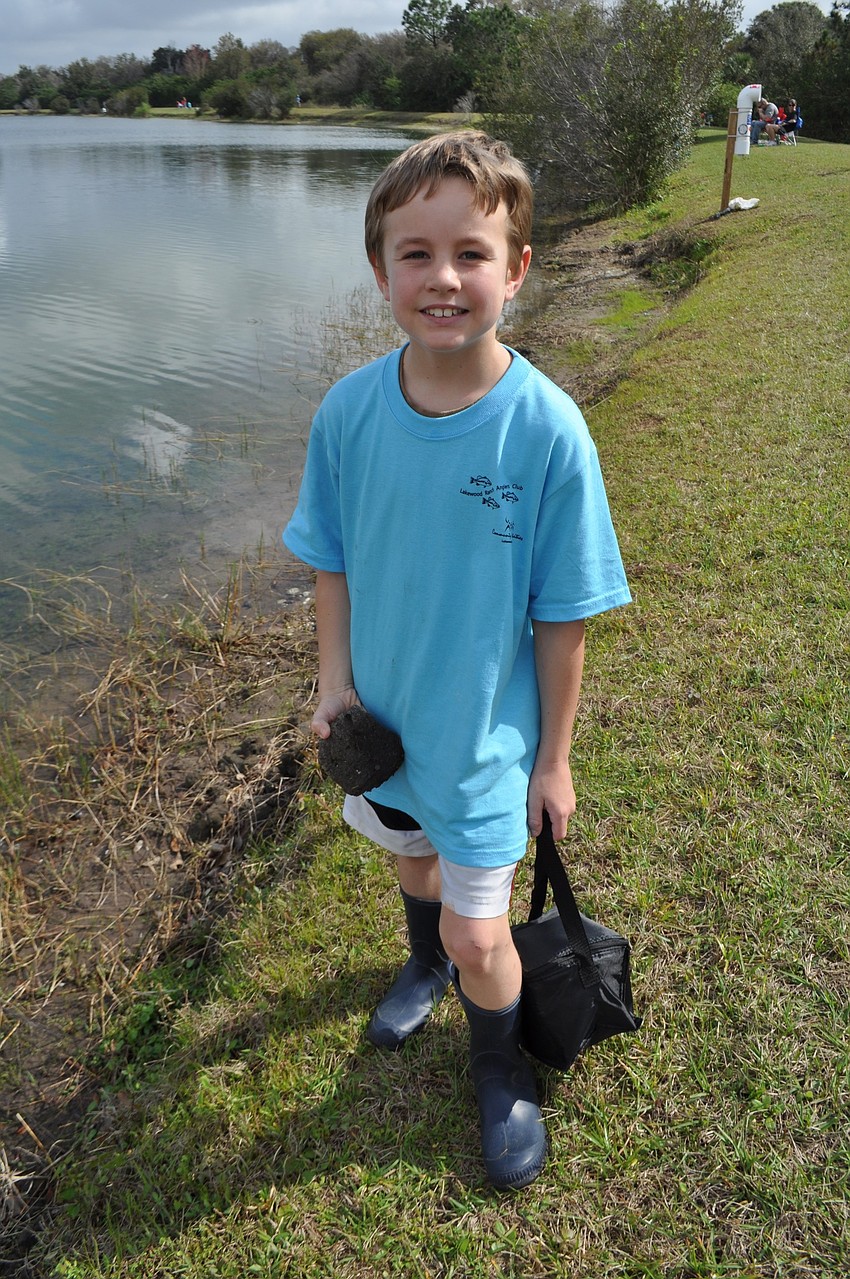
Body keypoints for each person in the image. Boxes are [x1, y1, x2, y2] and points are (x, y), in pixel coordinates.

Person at [283, 131, 631, 1189]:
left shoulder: (548, 430)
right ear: (379, 269)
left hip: (484, 739)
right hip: (384, 727)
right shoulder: (348, 411)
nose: (443, 277)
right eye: (416, 253)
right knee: (411, 861)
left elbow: (563, 616)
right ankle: (421, 958)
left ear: (516, 268)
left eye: (470, 253)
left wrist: (553, 759)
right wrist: (334, 685)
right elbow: (332, 561)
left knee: (489, 938)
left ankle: (497, 1064)